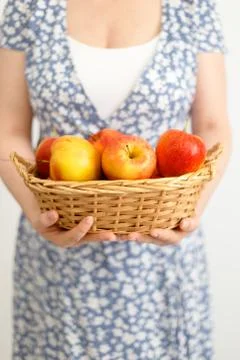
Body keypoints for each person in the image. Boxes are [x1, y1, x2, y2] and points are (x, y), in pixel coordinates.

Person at [0, 0, 232, 359]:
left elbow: (214, 127)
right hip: (56, 257)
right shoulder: (28, 7)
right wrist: (36, 211)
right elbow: (8, 130)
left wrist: (191, 212)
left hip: (161, 264)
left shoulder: (192, 7)